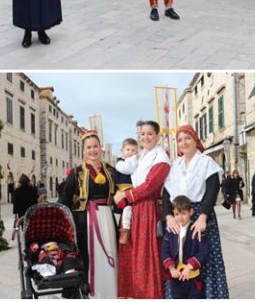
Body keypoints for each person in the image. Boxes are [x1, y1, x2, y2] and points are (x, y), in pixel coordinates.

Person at [162, 125, 229, 297]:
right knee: (179, 254)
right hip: (179, 217)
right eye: (180, 140)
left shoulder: (206, 162)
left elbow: (212, 190)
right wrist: (168, 216)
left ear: (195, 140)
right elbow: (167, 193)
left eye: (187, 138)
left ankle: (211, 295)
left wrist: (203, 217)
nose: (183, 142)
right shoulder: (174, 166)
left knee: (207, 257)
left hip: (200, 214)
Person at [114, 120, 172, 299]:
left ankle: (149, 294)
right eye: (143, 134)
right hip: (136, 208)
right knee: (131, 252)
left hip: (147, 209)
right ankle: (135, 292)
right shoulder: (140, 156)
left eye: (150, 134)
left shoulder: (161, 158)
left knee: (145, 255)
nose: (145, 137)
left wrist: (126, 195)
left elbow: (151, 186)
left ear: (157, 136)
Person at [59, 131, 119, 298]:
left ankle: (111, 292)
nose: (93, 150)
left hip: (107, 218)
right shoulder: (76, 172)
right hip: (84, 220)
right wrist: (54, 212)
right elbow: (65, 196)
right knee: (89, 257)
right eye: (89, 147)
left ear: (101, 148)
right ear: (84, 150)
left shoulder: (111, 171)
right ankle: (91, 293)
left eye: (95, 147)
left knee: (110, 251)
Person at [161, 194, 209, 299]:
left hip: (193, 277)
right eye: (177, 214)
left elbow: (203, 251)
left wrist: (189, 267)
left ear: (191, 212)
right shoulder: (170, 231)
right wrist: (171, 268)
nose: (180, 217)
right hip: (175, 277)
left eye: (183, 214)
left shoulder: (196, 230)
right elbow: (164, 251)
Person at [114, 138, 138, 245]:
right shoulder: (120, 164)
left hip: (133, 193)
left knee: (128, 211)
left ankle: (125, 231)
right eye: (128, 150)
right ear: (122, 151)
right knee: (118, 217)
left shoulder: (138, 163)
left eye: (133, 150)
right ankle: (123, 232)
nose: (130, 153)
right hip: (121, 192)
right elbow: (126, 170)